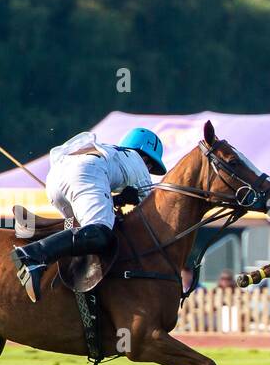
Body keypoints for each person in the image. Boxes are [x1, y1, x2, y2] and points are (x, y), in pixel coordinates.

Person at [11, 127, 167, 302]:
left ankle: (39, 233)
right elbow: (155, 210)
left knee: (81, 232)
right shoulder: (138, 162)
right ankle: (32, 255)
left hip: (56, 177)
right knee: (100, 233)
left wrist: (119, 199)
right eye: (151, 165)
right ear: (144, 156)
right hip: (87, 173)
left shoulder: (111, 151)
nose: (149, 169)